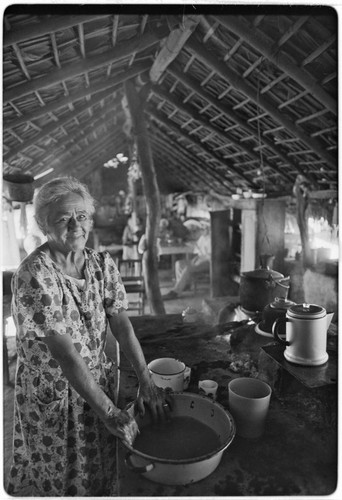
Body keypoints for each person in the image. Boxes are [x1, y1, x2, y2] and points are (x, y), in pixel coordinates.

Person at [7, 177, 168, 497]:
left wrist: (146, 381)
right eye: (63, 218)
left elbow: (122, 326)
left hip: (94, 383)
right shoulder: (34, 275)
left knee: (99, 470)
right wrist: (110, 412)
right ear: (42, 224)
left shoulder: (102, 264)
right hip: (53, 392)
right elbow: (65, 355)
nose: (75, 226)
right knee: (62, 475)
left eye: (81, 216)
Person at [163, 222, 211, 299]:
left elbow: (209, 256)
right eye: (202, 228)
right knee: (179, 263)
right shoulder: (202, 238)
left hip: (207, 262)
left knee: (188, 269)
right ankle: (185, 286)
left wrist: (198, 257)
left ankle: (176, 291)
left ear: (208, 229)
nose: (202, 230)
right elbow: (196, 249)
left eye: (204, 228)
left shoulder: (211, 239)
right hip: (199, 259)